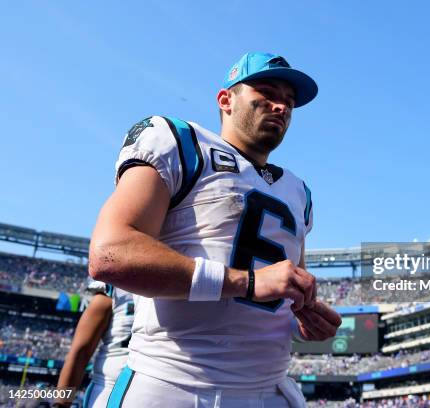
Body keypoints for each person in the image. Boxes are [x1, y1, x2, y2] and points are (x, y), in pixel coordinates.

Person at [88, 52, 341, 407]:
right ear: (226, 100)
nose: (280, 107)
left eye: (289, 101)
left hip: (273, 388)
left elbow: (283, 287)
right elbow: (110, 254)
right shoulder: (181, 143)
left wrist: (303, 317)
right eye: (266, 93)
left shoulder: (299, 192)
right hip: (175, 385)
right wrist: (247, 283)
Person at [54, 280, 134, 408]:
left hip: (111, 389)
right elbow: (80, 352)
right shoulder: (171, 286)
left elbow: (80, 353)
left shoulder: (113, 291)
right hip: (120, 387)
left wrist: (61, 405)